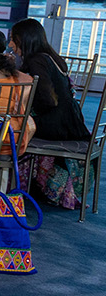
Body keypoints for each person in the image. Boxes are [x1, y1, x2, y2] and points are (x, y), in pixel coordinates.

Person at [10, 18, 91, 208]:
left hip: (56, 124)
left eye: (13, 39)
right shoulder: (51, 56)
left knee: (9, 127)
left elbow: (47, 100)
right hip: (69, 121)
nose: (11, 45)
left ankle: (7, 183)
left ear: (24, 39)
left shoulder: (36, 61)